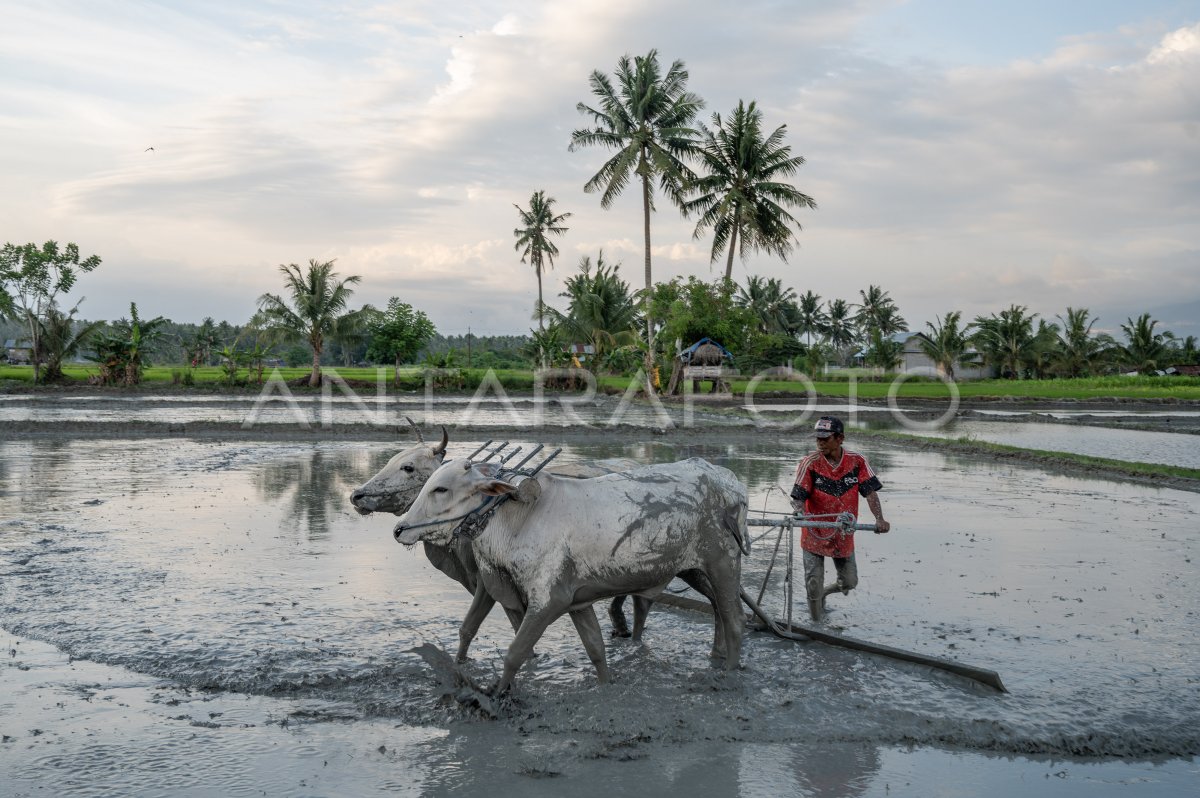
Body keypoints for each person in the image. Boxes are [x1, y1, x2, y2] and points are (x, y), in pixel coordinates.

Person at [790, 416, 891, 622]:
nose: (820, 443)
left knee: (849, 582)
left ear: (840, 438)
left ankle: (825, 594)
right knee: (812, 583)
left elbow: (870, 493)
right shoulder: (810, 463)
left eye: (825, 439)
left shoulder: (857, 461)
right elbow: (798, 496)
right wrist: (799, 512)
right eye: (817, 438)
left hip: (843, 532)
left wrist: (880, 519)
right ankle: (816, 624)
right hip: (814, 532)